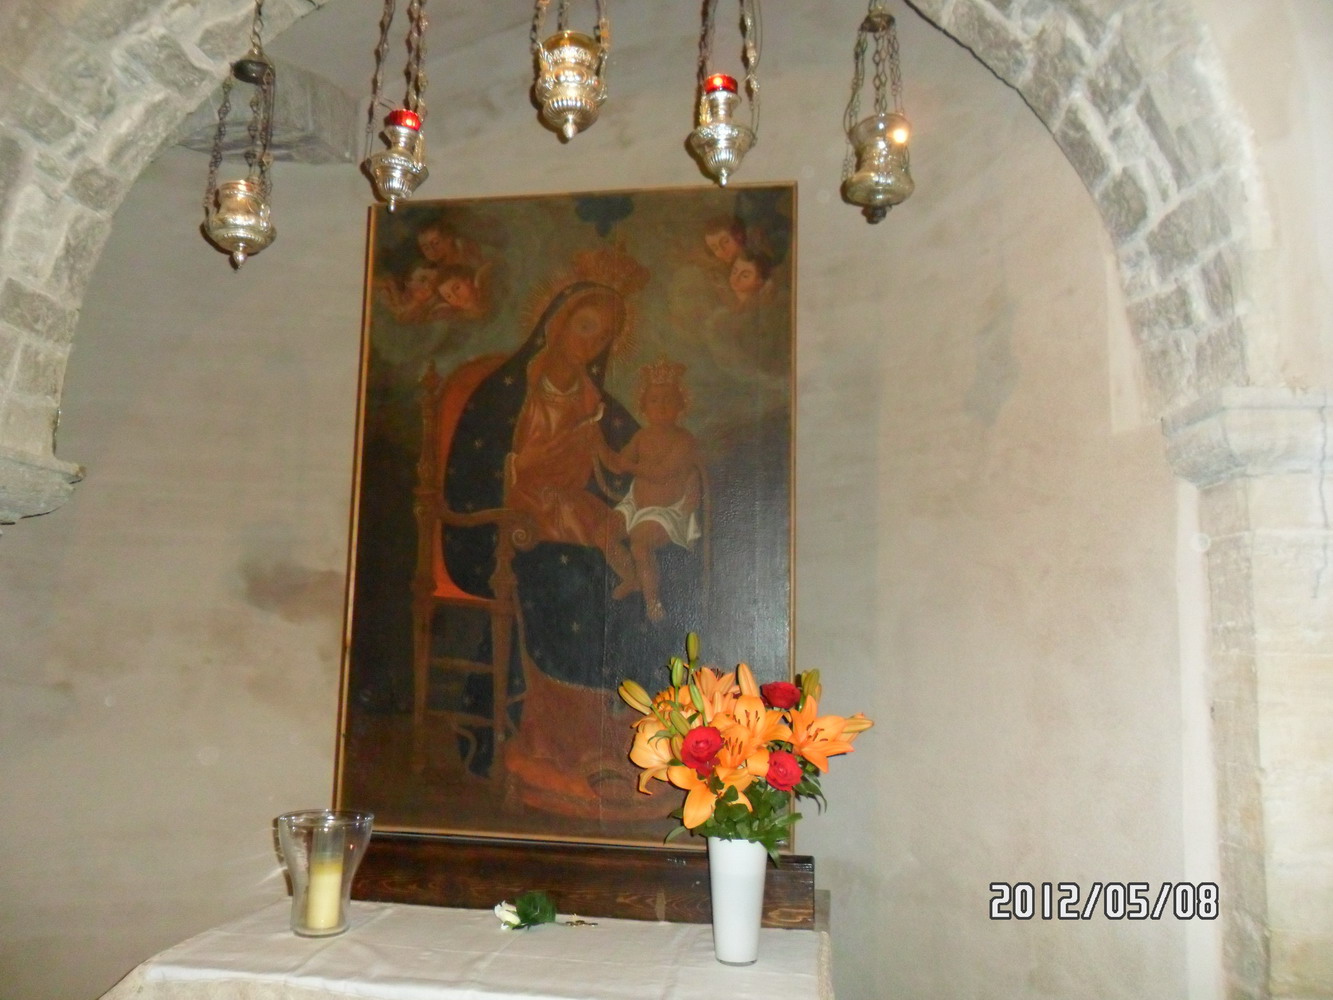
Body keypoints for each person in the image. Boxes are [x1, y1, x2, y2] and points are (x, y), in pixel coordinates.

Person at [604, 359, 702, 622]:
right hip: (635, 505)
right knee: (604, 533)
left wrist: (629, 466)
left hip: (668, 511)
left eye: (669, 400)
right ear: (644, 406)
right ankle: (631, 578)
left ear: (680, 405)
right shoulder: (642, 436)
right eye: (655, 400)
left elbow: (662, 474)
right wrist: (599, 446)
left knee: (639, 543)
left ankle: (652, 602)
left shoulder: (684, 440)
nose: (661, 406)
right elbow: (619, 463)